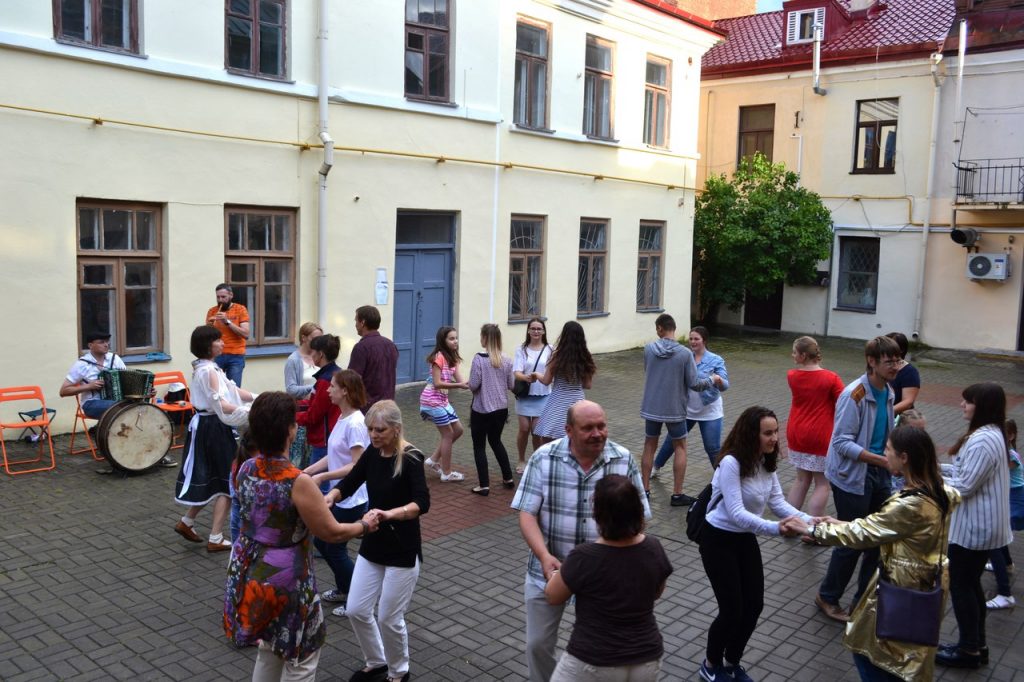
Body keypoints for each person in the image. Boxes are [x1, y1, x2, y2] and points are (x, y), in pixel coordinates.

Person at [224, 391, 380, 681]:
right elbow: (331, 532)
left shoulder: (245, 467)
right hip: (287, 581)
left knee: (269, 648)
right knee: (302, 656)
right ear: (291, 430)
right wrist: (365, 525)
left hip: (250, 571)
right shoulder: (298, 481)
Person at [785, 426, 960, 681]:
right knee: (899, 654)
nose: (883, 454)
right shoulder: (938, 491)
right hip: (921, 585)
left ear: (904, 458)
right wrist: (836, 522)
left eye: (887, 450)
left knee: (876, 656)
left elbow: (862, 535)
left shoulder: (911, 504)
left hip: (902, 589)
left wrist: (813, 529)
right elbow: (879, 528)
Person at [511, 400, 650, 682]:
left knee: (604, 650)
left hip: (604, 579)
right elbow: (527, 514)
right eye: (588, 428)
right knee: (537, 645)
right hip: (547, 571)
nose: (597, 433)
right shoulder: (543, 457)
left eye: (602, 425)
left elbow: (640, 518)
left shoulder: (622, 459)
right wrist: (543, 555)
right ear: (568, 430)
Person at [697, 406, 809, 682]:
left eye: (775, 432)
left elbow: (779, 503)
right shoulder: (731, 463)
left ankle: (731, 662)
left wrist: (815, 520)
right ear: (751, 434)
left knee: (754, 605)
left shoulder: (764, 462)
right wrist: (777, 529)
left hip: (743, 539)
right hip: (717, 539)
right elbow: (736, 512)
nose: (774, 438)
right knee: (731, 609)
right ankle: (710, 665)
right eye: (767, 433)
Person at [326, 400, 430, 682]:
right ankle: (377, 660)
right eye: (370, 429)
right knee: (357, 609)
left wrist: (390, 514)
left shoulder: (411, 458)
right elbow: (351, 481)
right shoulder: (373, 453)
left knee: (389, 618)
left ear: (396, 429)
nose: (373, 435)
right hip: (373, 544)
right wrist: (331, 496)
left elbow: (422, 502)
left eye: (380, 430)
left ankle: (399, 672)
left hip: (402, 548)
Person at [544, 474, 673, 682]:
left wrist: (555, 575)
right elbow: (656, 593)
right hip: (646, 658)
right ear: (637, 509)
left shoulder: (583, 556)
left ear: (598, 514)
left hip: (593, 659)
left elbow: (553, 596)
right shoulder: (653, 547)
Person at [815, 336, 900, 623]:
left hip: (880, 474)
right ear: (872, 362)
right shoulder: (855, 395)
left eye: (898, 360)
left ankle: (863, 601)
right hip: (852, 476)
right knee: (851, 541)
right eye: (889, 361)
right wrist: (880, 460)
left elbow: (886, 434)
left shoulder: (888, 391)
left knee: (877, 539)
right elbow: (840, 442)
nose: (895, 366)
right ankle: (827, 597)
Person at [936, 382, 1012, 669]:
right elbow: (967, 473)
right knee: (971, 586)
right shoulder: (992, 434)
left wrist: (930, 480)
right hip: (984, 527)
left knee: (961, 586)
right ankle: (976, 644)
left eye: (967, 401)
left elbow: (965, 485)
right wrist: (937, 468)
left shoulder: (982, 439)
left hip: (974, 529)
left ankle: (968, 650)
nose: (962, 405)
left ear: (982, 405)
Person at [174, 325, 255, 552]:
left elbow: (234, 391)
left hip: (209, 426)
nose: (222, 343)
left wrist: (261, 398)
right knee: (228, 481)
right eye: (218, 340)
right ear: (207, 345)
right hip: (211, 427)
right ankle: (216, 537)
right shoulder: (208, 371)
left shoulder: (210, 368)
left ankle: (187, 522)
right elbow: (221, 404)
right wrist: (253, 412)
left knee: (216, 478)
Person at [304, 369, 370, 617]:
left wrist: (322, 477)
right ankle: (345, 589)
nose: (328, 390)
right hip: (339, 494)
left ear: (345, 391)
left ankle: (356, 597)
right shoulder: (342, 418)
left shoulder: (355, 423)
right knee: (322, 540)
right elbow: (333, 457)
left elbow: (356, 464)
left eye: (332, 387)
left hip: (350, 497)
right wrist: (308, 471)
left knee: (334, 548)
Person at [639, 315, 720, 507]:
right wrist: (712, 380)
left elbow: (648, 373)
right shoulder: (684, 354)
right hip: (675, 408)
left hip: (651, 407)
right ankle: (677, 495)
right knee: (680, 447)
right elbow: (695, 384)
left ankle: (645, 491)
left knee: (649, 445)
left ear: (660, 329)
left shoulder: (648, 349)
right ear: (673, 329)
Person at [784, 336, 845, 517]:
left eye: (795, 352)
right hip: (821, 435)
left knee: (802, 479)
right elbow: (844, 402)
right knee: (822, 483)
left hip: (796, 431)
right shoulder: (831, 378)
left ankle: (790, 522)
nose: (792, 355)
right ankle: (814, 529)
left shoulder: (792, 376)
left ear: (803, 355)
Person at [467, 323, 516, 495]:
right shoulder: (507, 360)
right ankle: (508, 477)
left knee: (479, 446)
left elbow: (473, 385)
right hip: (501, 409)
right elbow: (511, 385)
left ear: (485, 338)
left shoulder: (479, 359)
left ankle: (484, 485)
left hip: (481, 409)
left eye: (481, 336)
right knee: (496, 441)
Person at [532, 322, 597, 445]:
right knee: (575, 438)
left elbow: (546, 381)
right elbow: (588, 385)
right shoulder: (586, 357)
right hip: (578, 402)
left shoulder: (557, 356)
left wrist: (536, 374)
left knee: (549, 439)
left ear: (564, 336)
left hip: (558, 401)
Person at [420, 326, 469, 482]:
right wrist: (458, 386)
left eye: (456, 338)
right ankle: (446, 473)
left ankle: (433, 460)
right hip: (431, 400)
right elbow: (437, 383)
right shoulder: (438, 358)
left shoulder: (452, 358)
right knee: (447, 434)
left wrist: (476, 384)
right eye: (451, 338)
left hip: (443, 400)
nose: (455, 341)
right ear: (443, 341)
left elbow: (462, 381)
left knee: (458, 430)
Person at [296, 334, 342, 491]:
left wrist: (291, 416)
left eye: (313, 352)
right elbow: (314, 404)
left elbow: (313, 416)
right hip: (330, 436)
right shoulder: (335, 373)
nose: (311, 355)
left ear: (321, 354)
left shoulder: (324, 381)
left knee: (319, 486)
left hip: (324, 440)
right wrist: (294, 405)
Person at [987, 418, 1023, 610]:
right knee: (999, 535)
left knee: (996, 539)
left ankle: (1005, 593)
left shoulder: (1010, 456)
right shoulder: (1005, 453)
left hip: (1016, 499)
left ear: (1011, 436)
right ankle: (1007, 564)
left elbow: (995, 471)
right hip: (1008, 498)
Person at [512, 317, 552, 475]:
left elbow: (552, 373)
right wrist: (526, 377)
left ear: (543, 331)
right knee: (524, 429)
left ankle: (537, 460)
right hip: (524, 394)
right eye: (533, 328)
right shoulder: (521, 349)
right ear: (528, 331)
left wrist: (541, 377)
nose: (536, 331)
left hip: (543, 394)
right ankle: (521, 459)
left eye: (539, 329)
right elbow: (516, 372)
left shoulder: (550, 349)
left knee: (537, 430)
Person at [59, 330, 127, 419]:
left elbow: (127, 380)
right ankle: (102, 429)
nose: (106, 344)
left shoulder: (115, 359)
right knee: (120, 406)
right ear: (90, 345)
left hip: (115, 401)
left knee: (135, 404)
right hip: (91, 403)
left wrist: (146, 391)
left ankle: (101, 430)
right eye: (101, 342)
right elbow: (63, 391)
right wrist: (89, 386)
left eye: (107, 341)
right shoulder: (82, 364)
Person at [348, 305, 399, 409]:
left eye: (356, 321)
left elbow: (352, 380)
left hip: (369, 408)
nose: (355, 325)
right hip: (389, 405)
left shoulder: (361, 348)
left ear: (362, 323)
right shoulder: (391, 345)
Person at [205, 283, 250, 387]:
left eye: (223, 297)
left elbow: (246, 334)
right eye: (218, 297)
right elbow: (207, 337)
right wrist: (208, 327)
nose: (220, 300)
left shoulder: (240, 309)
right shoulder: (212, 311)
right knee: (215, 388)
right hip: (216, 354)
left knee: (233, 389)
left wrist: (227, 322)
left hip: (236, 355)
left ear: (231, 295)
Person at [886, 332, 921, 418]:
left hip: (899, 419)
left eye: (890, 345)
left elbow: (908, 402)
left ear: (901, 349)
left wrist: (885, 413)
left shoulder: (909, 372)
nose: (885, 348)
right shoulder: (881, 367)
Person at [285, 322, 323, 399]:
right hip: (304, 407)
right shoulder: (293, 360)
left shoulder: (322, 355)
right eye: (314, 339)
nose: (318, 342)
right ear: (303, 338)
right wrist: (315, 387)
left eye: (320, 339)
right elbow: (290, 390)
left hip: (321, 405)